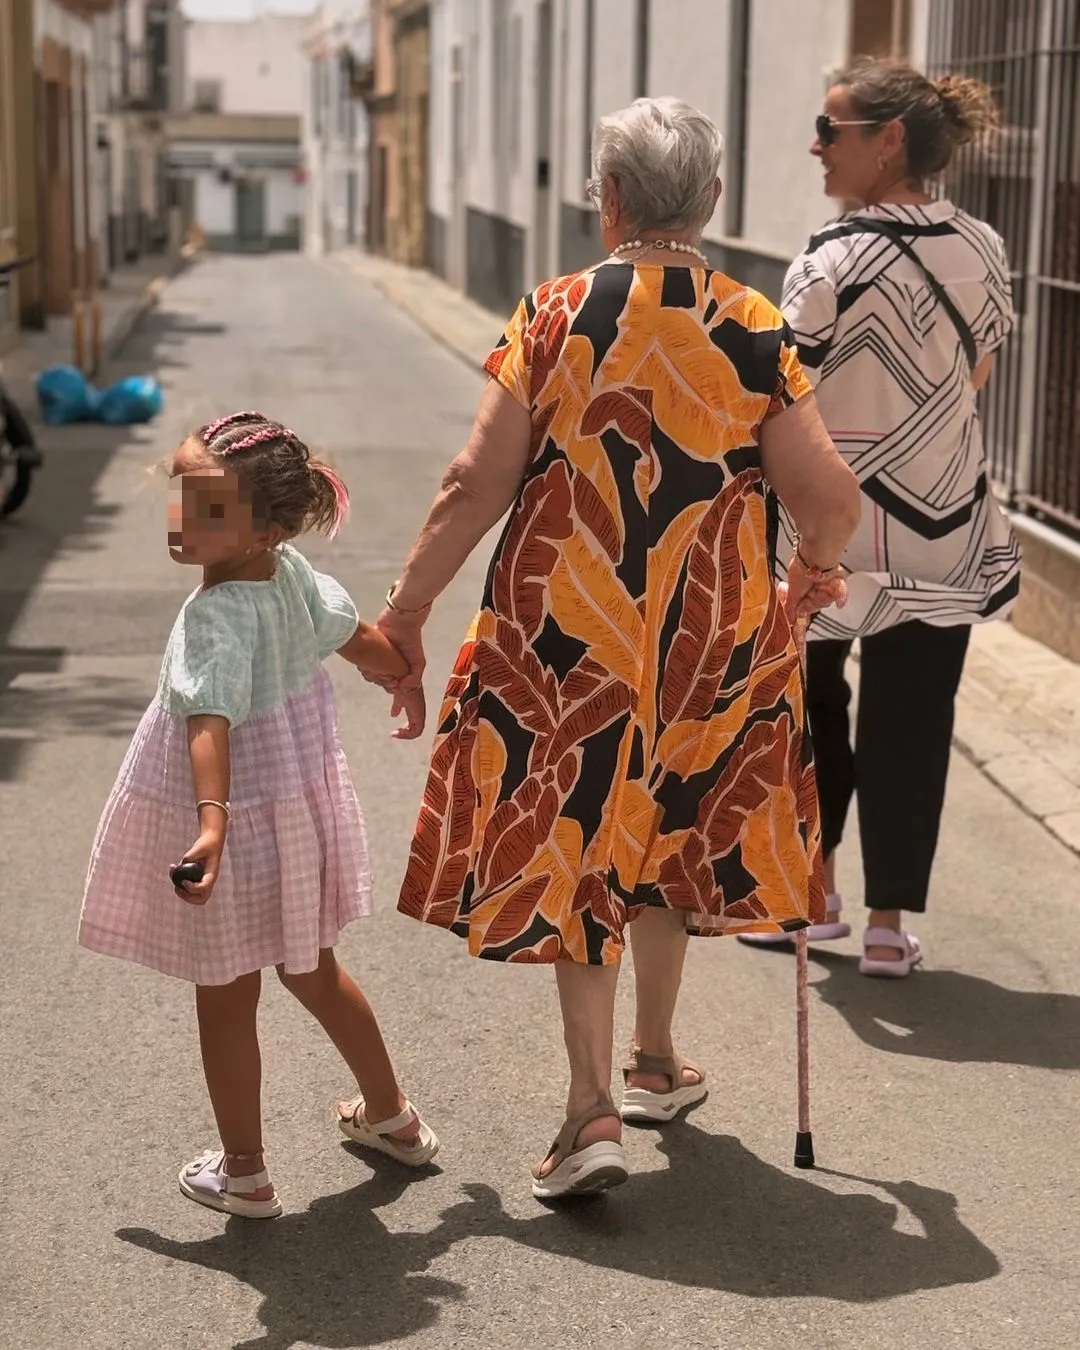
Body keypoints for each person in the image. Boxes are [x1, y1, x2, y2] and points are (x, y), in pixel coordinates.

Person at [372, 97, 860, 1198]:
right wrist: (811, 574)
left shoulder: (556, 311)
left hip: (568, 632)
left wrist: (405, 613)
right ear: (714, 203)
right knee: (671, 825)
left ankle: (598, 1103)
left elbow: (472, 485)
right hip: (710, 637)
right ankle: (652, 1061)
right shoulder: (751, 324)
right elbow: (828, 496)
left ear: (611, 201)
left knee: (586, 837)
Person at [78, 411, 438, 1220]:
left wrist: (210, 824)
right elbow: (356, 640)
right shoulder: (289, 572)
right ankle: (394, 1119)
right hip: (295, 815)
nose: (183, 522)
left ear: (266, 526)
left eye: (209, 511)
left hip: (237, 827)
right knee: (314, 969)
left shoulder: (211, 618)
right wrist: (403, 680)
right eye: (184, 499)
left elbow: (207, 722)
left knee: (225, 993)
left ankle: (244, 1173)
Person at [741, 59, 1020, 977]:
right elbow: (976, 370)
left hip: (832, 522)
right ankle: (889, 927)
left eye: (832, 130)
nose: (815, 147)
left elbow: (788, 394)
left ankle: (812, 899)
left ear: (888, 140)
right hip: (943, 519)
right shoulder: (981, 246)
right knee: (916, 717)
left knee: (812, 708)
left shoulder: (829, 259)